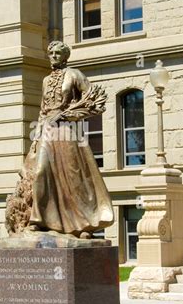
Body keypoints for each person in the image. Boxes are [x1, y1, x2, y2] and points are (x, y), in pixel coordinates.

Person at [6, 41, 114, 238]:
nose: (54, 56)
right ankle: (40, 220)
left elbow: (93, 102)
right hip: (47, 130)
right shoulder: (46, 80)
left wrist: (65, 115)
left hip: (68, 130)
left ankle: (82, 225)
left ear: (65, 56)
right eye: (51, 53)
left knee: (74, 178)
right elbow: (42, 110)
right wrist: (36, 137)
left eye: (58, 53)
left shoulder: (75, 75)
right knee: (40, 172)